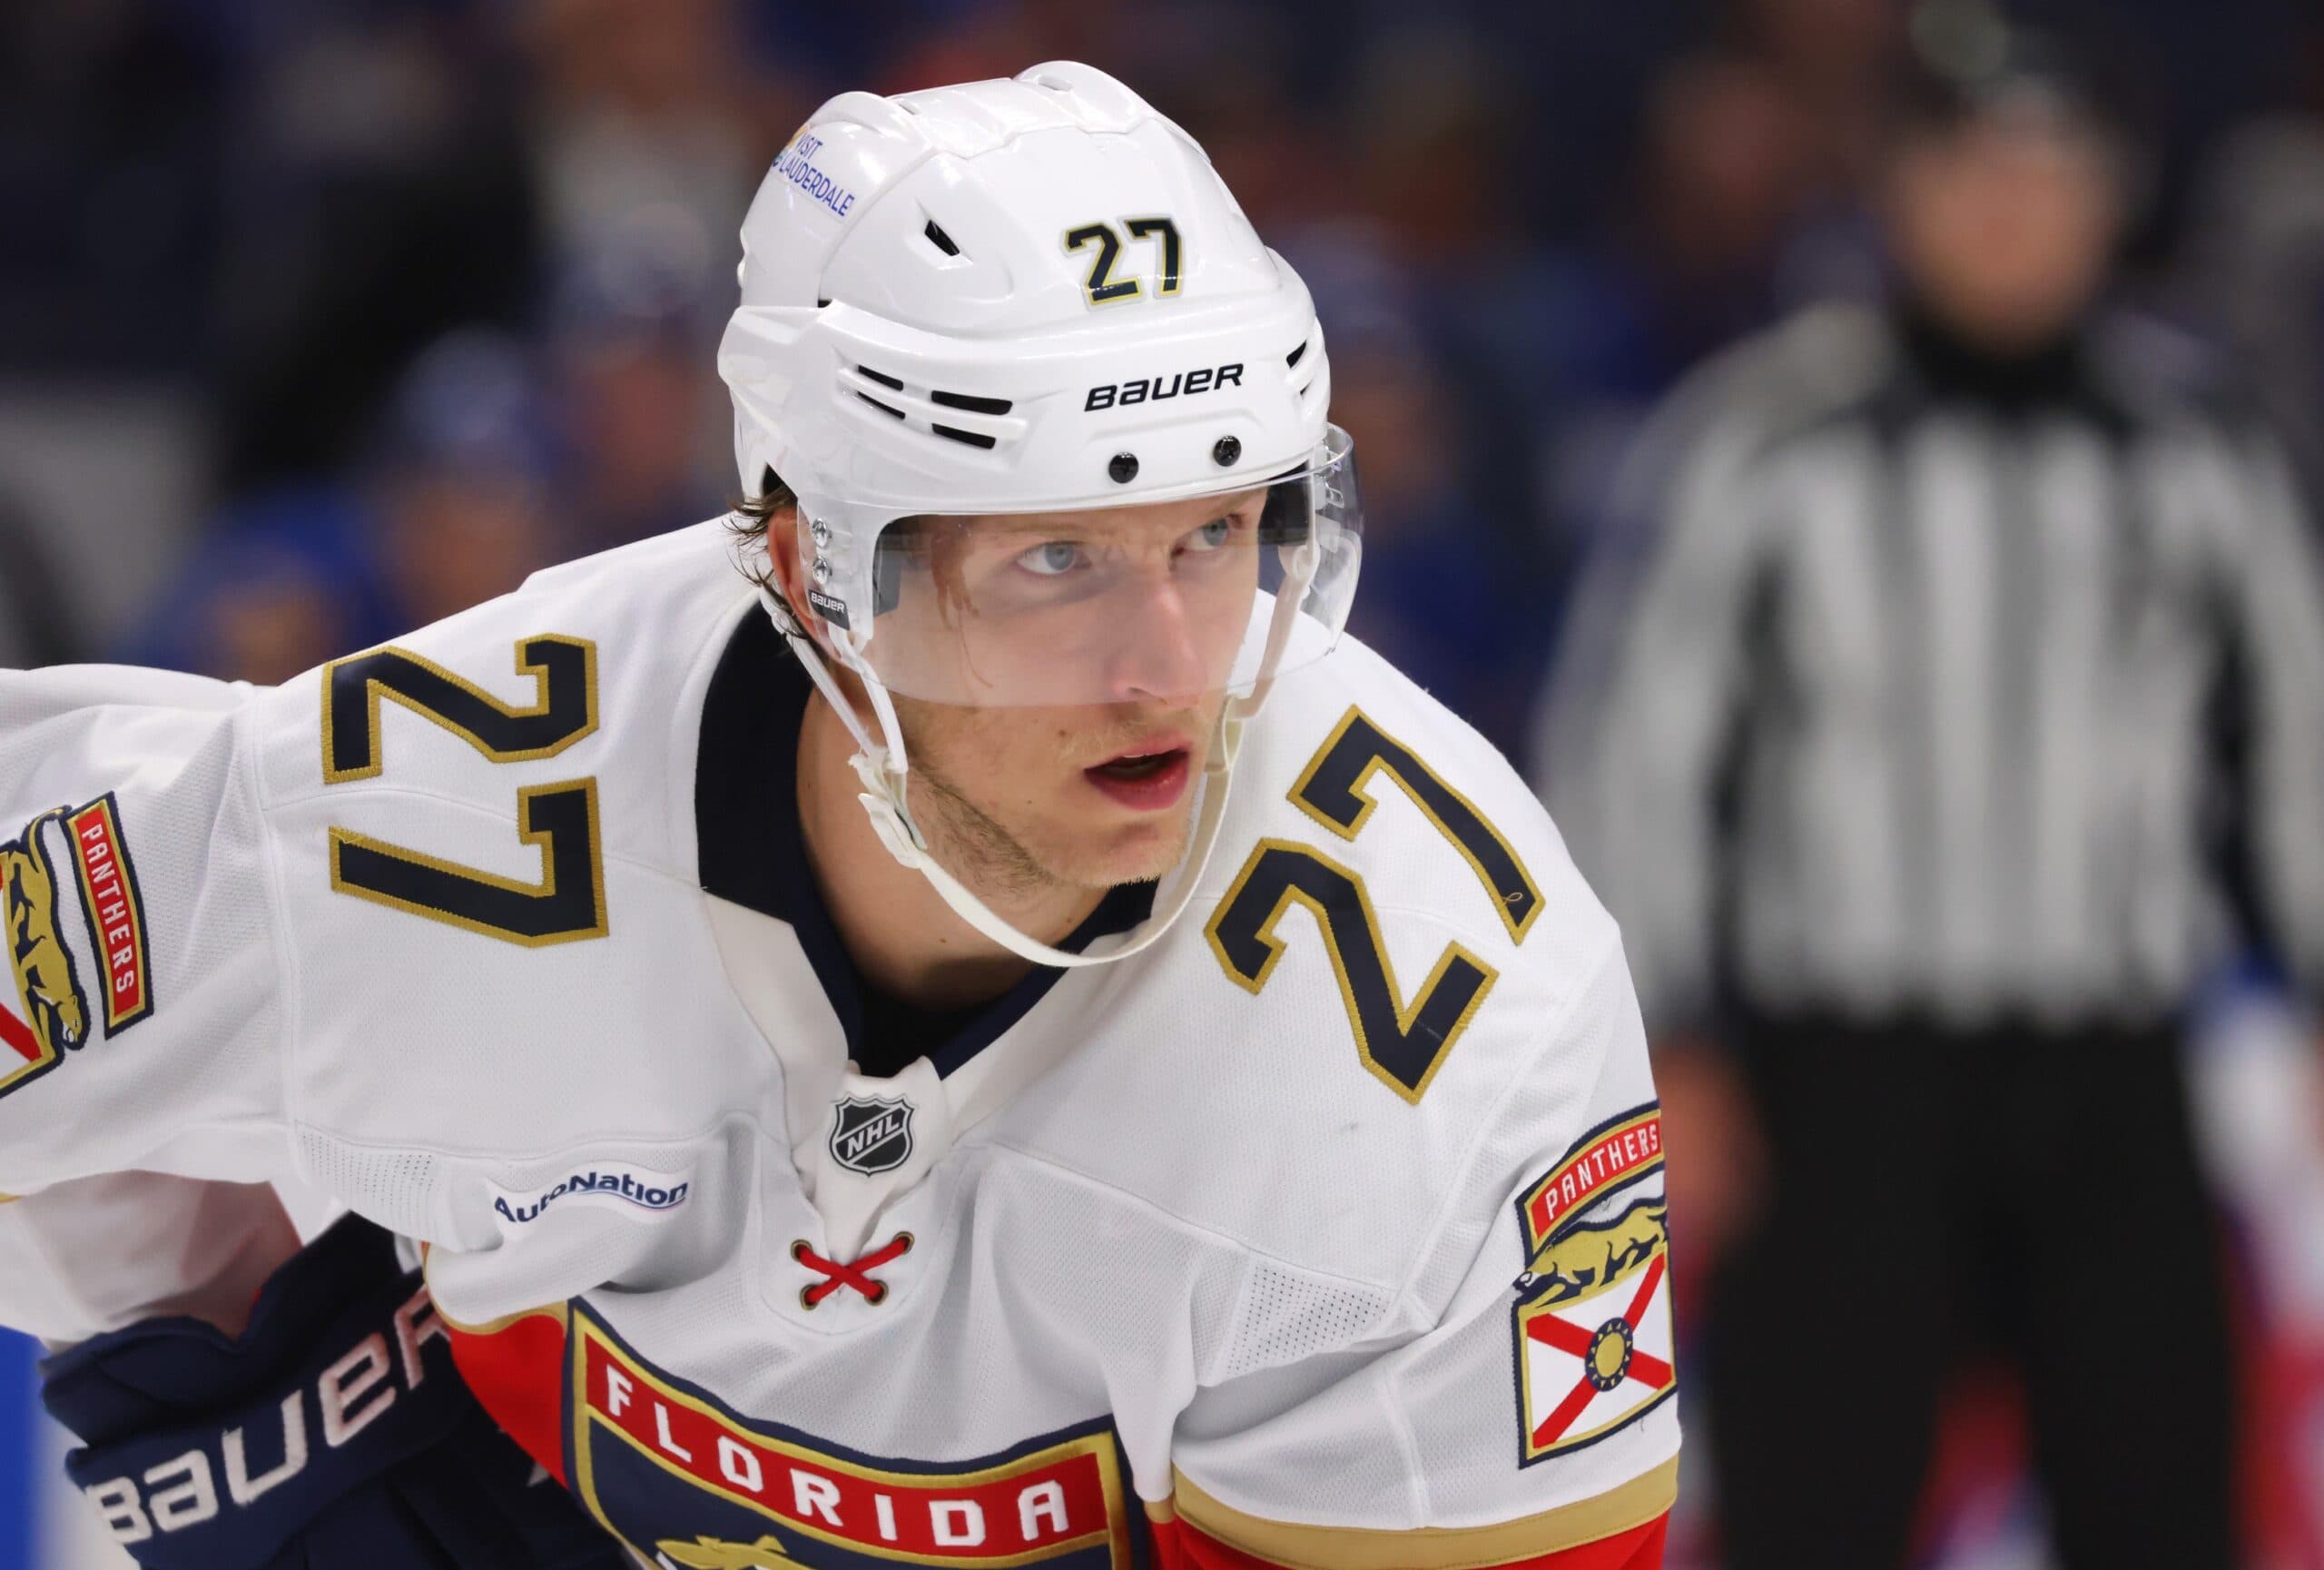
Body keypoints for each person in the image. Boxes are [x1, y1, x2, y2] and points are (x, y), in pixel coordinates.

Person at [0, 64, 1677, 1570]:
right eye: (1056, 559)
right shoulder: (442, 807)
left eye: (1217, 536)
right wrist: (234, 1346)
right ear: (815, 565)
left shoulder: (1452, 1026)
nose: (1171, 669)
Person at [1537, 20, 2324, 1570]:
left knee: (2163, 1503)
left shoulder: (2201, 448)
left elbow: (2295, 737)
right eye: (1971, 166)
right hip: (1840, 1082)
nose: (2011, 207)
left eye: (2050, 168)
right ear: (1895, 182)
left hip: (2115, 1071)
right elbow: (1636, 743)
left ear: (2113, 188)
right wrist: (1663, 1045)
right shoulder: (1762, 438)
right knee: (1808, 1512)